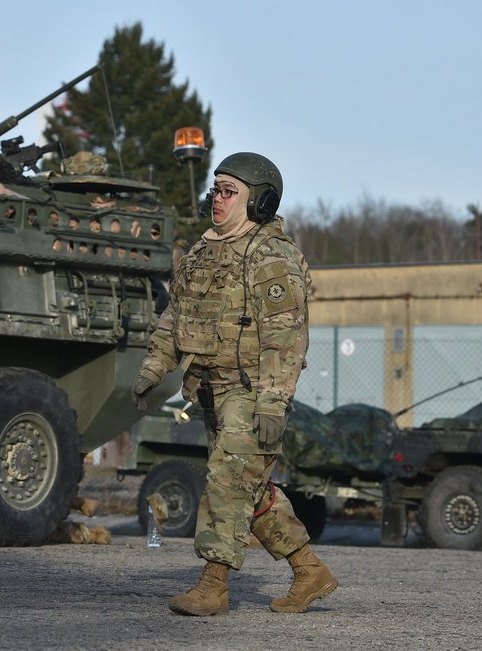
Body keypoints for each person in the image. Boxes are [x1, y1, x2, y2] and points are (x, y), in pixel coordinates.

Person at [132, 152, 337, 616]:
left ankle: (213, 585)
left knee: (226, 481)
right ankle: (309, 570)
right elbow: (176, 317)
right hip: (209, 390)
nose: (217, 200)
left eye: (229, 193)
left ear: (259, 203)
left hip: (252, 393)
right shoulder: (201, 252)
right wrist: (153, 369)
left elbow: (286, 340)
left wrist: (271, 404)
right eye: (215, 191)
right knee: (253, 491)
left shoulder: (271, 257)